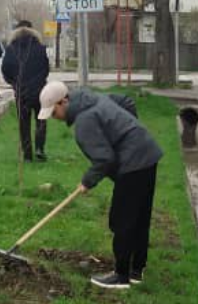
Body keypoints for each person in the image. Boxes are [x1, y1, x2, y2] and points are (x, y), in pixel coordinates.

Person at [38, 81, 162, 289]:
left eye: (53, 112)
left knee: (121, 220)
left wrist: (87, 182)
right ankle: (136, 271)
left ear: (64, 101)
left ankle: (121, 276)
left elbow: (105, 159)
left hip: (134, 163)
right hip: (147, 153)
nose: (54, 117)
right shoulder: (93, 98)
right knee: (140, 217)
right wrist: (132, 131)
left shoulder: (84, 122)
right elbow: (126, 102)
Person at [2, 20, 50, 162]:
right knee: (41, 119)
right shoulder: (40, 47)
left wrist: (14, 83)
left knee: (24, 124)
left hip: (21, 91)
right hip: (40, 91)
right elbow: (45, 69)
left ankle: (27, 155)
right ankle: (39, 149)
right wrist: (40, 82)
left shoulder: (11, 48)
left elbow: (5, 70)